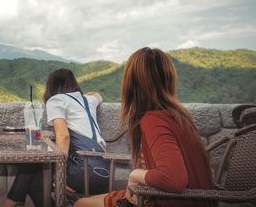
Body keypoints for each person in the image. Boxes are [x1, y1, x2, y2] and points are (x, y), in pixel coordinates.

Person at [74, 47, 216, 207]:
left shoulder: (154, 120)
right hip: (190, 198)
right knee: (82, 202)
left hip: (168, 200)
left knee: (81, 205)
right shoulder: (177, 115)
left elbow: (175, 179)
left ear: (131, 84)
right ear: (168, 79)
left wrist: (135, 175)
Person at [1, 68, 109, 207]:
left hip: (83, 173)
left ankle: (10, 201)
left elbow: (63, 136)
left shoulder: (56, 100)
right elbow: (97, 94)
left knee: (33, 168)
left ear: (51, 87)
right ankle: (11, 201)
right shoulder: (89, 101)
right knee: (35, 178)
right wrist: (77, 96)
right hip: (104, 173)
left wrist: (60, 176)